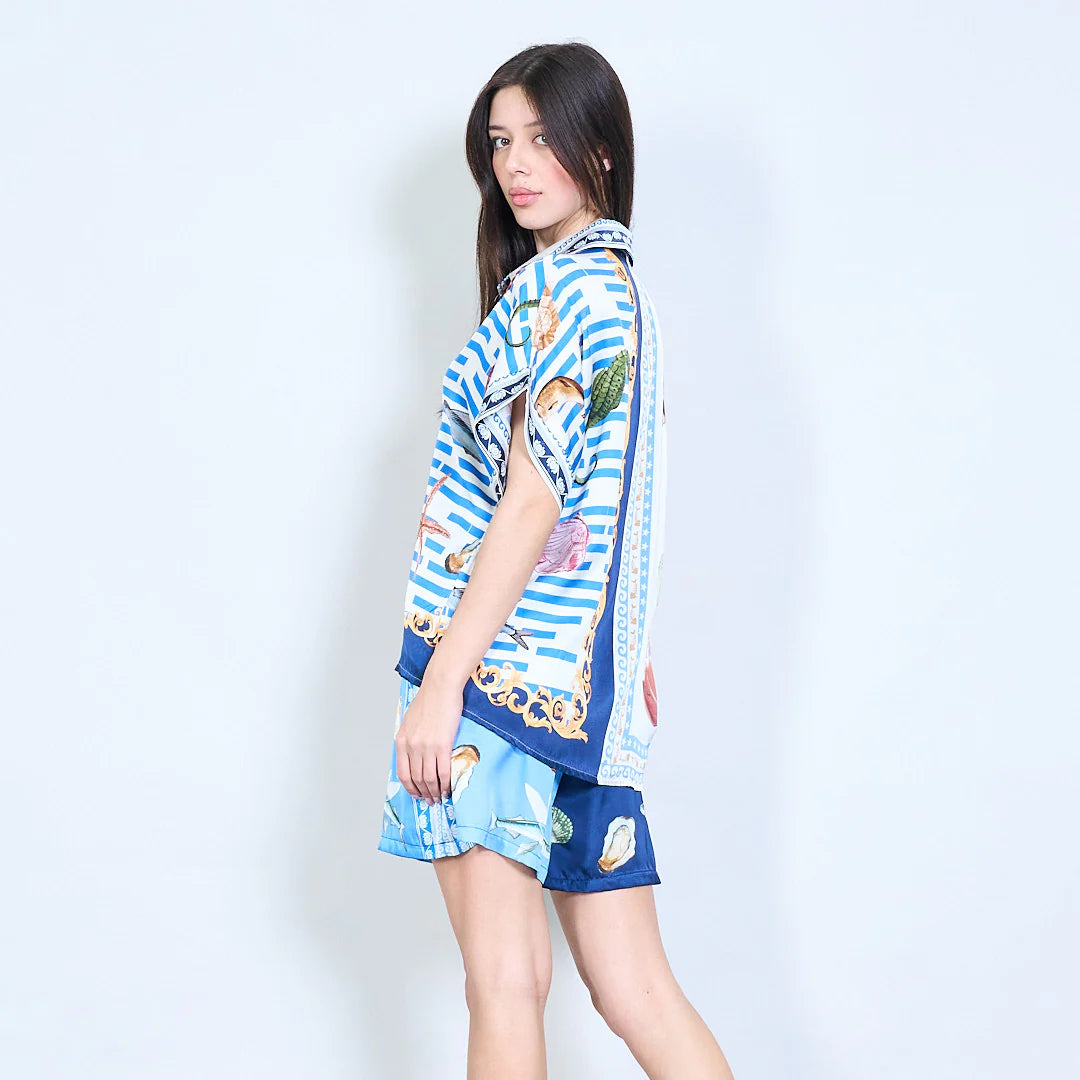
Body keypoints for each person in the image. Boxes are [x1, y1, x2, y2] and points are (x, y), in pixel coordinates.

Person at [377, 42, 735, 1079]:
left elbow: (534, 499)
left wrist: (443, 683)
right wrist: (618, 643)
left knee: (503, 982)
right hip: (584, 694)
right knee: (636, 991)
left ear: (603, 151)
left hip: (497, 678)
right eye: (500, 142)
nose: (517, 165)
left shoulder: (567, 293)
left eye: (543, 137)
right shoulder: (621, 297)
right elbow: (606, 493)